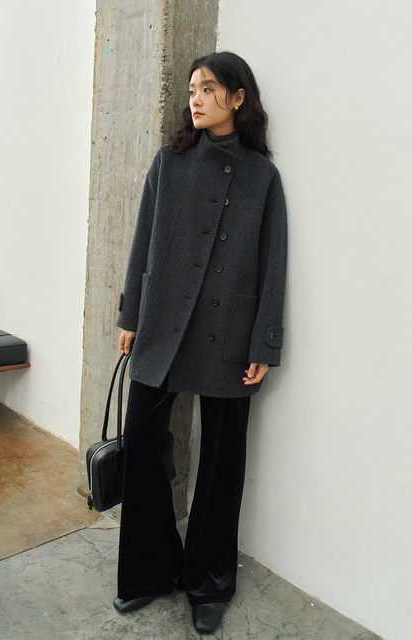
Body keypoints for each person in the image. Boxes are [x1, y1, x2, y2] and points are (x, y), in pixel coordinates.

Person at [113, 51, 287, 634]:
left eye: (208, 88)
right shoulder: (170, 161)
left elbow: (273, 263)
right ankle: (151, 568)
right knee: (141, 446)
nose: (196, 98)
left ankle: (208, 580)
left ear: (238, 97)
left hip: (228, 332)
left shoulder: (262, 176)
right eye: (192, 89)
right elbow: (143, 238)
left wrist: (264, 341)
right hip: (163, 323)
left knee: (221, 463)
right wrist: (131, 313)